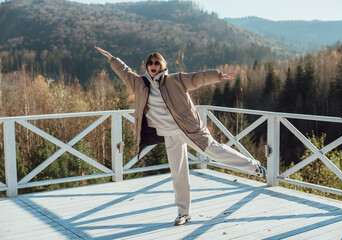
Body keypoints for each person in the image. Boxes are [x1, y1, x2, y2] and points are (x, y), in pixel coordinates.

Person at [94, 46, 267, 226]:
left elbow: (197, 78)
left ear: (162, 66)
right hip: (169, 135)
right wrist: (112, 58)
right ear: (146, 66)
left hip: (189, 129)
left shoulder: (175, 80)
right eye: (150, 63)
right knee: (178, 172)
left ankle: (254, 167)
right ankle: (183, 213)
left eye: (156, 62)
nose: (153, 65)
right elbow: (124, 72)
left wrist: (218, 75)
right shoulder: (139, 84)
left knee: (216, 152)